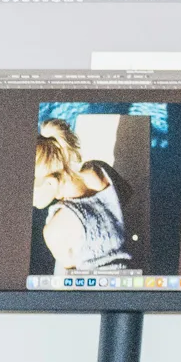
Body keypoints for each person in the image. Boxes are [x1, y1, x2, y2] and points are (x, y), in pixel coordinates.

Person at [34, 117, 133, 275]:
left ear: (50, 183)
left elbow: (69, 273)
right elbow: (127, 192)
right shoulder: (98, 170)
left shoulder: (54, 228)